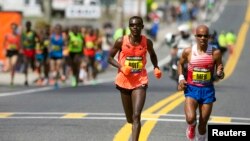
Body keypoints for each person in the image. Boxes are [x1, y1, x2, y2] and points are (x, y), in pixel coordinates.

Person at [108, 16, 162, 141]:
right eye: (132, 25)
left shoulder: (147, 42)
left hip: (140, 80)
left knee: (137, 115)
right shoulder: (121, 41)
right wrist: (121, 67)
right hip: (124, 81)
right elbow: (109, 58)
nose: (135, 27)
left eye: (138, 25)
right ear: (129, 27)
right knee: (130, 118)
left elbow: (153, 55)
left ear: (142, 27)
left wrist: (156, 67)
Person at [178, 24, 224, 141]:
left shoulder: (215, 53)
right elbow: (180, 64)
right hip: (192, 89)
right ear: (196, 37)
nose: (202, 38)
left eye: (205, 36)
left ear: (208, 37)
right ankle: (191, 126)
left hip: (207, 91)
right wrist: (181, 78)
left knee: (203, 125)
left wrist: (219, 73)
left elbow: (220, 71)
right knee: (190, 118)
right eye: (200, 35)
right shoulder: (188, 51)